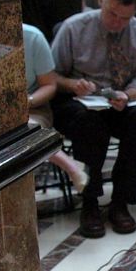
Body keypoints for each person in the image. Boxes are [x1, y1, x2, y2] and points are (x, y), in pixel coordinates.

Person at [51, 0, 136, 238]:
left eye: (124, 18)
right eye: (112, 14)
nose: (116, 23)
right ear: (101, 2)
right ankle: (90, 201)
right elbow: (51, 76)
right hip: (79, 102)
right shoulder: (73, 27)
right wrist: (74, 84)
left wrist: (128, 94)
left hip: (120, 99)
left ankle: (121, 200)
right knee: (89, 124)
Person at [23, 23, 89, 191]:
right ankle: (71, 166)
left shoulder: (32, 36)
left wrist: (27, 102)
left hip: (33, 106)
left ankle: (71, 167)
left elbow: (49, 85)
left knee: (24, 130)